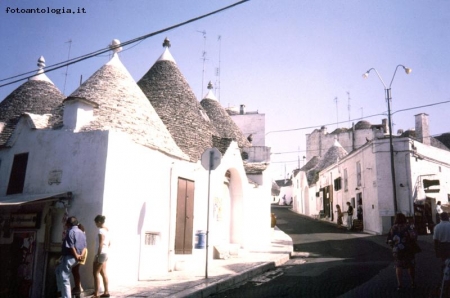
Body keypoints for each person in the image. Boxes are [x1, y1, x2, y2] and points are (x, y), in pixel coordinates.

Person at [55, 216, 87, 298]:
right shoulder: (81, 232)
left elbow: (71, 246)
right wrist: (80, 256)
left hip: (70, 256)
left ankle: (65, 296)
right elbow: (84, 247)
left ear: (69, 224)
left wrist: (76, 256)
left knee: (65, 277)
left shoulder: (70, 231)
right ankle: (61, 291)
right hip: (78, 257)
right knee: (58, 270)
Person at [386, 213, 418, 291]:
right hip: (408, 249)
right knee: (411, 266)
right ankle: (413, 283)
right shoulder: (408, 227)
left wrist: (393, 246)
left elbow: (389, 240)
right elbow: (414, 236)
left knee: (398, 266)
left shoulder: (393, 228)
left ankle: (400, 285)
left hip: (397, 250)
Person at [93, 215, 111, 298]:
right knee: (103, 272)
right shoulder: (107, 230)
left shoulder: (101, 231)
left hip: (101, 253)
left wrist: (98, 255)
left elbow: (100, 243)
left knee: (95, 273)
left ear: (99, 222)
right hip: (106, 252)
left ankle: (96, 294)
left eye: (96, 223)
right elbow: (109, 243)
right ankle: (106, 292)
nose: (96, 224)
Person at [72, 223, 87, 295]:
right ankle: (78, 286)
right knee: (75, 270)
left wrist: (79, 255)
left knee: (75, 270)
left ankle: (78, 287)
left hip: (81, 252)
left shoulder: (80, 234)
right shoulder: (82, 233)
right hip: (82, 252)